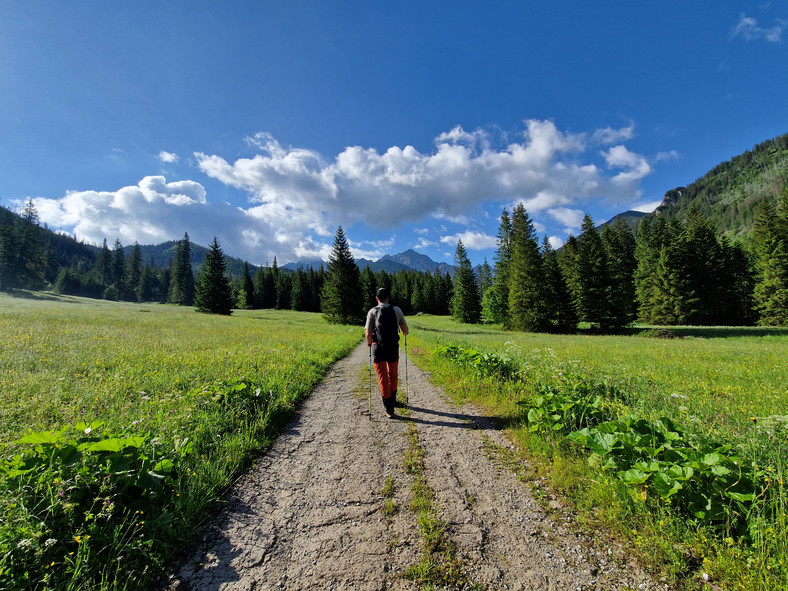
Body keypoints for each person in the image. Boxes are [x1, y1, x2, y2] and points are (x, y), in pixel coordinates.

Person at [365, 287, 408, 418]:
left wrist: (369, 343)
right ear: (388, 298)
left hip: (378, 348)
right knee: (393, 374)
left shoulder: (372, 311)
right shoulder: (396, 310)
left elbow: (368, 333)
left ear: (377, 299)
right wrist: (405, 333)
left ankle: (389, 408)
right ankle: (393, 398)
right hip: (393, 347)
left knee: (383, 377)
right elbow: (405, 329)